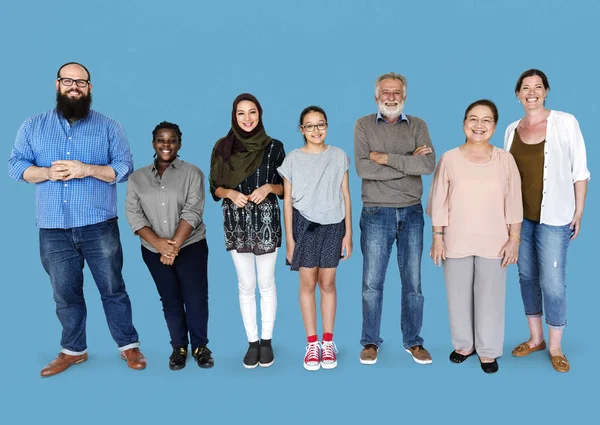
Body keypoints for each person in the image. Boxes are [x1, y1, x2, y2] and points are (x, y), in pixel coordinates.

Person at [7, 62, 146, 377]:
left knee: (113, 288)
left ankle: (128, 345)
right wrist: (44, 173)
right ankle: (73, 350)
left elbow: (124, 168)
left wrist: (87, 169)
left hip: (99, 225)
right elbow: (16, 166)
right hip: (53, 229)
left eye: (81, 82)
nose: (74, 86)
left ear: (90, 88)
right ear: (57, 85)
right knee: (64, 293)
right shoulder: (33, 126)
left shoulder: (110, 126)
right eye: (68, 81)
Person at [427, 99, 523, 374]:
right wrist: (437, 237)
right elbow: (439, 203)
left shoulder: (505, 160)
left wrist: (514, 239)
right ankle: (464, 345)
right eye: (473, 119)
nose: (478, 125)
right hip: (455, 240)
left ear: (494, 126)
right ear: (463, 124)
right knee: (457, 297)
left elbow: (514, 202)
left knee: (490, 298)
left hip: (494, 241)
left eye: (486, 120)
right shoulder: (449, 159)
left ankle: (488, 351)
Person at [505, 69, 590, 373]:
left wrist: (578, 212)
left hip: (554, 218)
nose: (531, 92)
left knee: (553, 282)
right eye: (525, 88)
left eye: (537, 87)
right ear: (518, 94)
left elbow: (580, 171)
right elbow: (506, 177)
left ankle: (555, 346)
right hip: (520, 220)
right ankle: (535, 338)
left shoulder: (565, 123)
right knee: (526, 276)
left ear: (546, 91)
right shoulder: (512, 129)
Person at [354, 72, 435, 365]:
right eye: (385, 92)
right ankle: (370, 341)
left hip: (412, 211)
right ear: (376, 96)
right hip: (376, 212)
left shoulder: (418, 125)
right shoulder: (363, 125)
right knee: (372, 283)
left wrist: (385, 158)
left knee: (413, 282)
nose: (391, 96)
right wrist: (407, 162)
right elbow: (364, 169)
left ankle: (413, 341)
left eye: (396, 92)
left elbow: (426, 165)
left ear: (404, 96)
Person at [126, 122, 214, 371]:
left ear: (179, 144)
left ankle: (200, 347)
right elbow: (134, 215)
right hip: (153, 251)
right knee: (170, 299)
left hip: (191, 246)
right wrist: (159, 245)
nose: (167, 145)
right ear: (153, 143)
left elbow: (193, 210)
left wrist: (173, 246)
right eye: (161, 140)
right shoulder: (137, 178)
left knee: (196, 298)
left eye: (172, 140)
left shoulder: (192, 173)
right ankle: (179, 347)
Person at [210, 93, 285, 369]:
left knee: (266, 283)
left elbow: (286, 187)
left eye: (252, 112)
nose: (247, 118)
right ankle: (252, 342)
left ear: (260, 113)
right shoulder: (222, 147)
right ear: (234, 116)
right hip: (237, 223)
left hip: (266, 221)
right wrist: (229, 192)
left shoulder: (275, 147)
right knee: (246, 285)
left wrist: (269, 188)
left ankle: (267, 341)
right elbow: (214, 187)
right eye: (241, 113)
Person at [278, 106, 352, 371]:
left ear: (327, 126)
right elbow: (287, 201)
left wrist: (348, 233)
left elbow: (345, 194)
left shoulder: (339, 156)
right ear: (302, 130)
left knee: (328, 282)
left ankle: (328, 341)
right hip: (304, 225)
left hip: (333, 224)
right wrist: (290, 239)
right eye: (309, 126)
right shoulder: (293, 159)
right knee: (308, 283)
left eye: (320, 124)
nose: (316, 130)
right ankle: (312, 343)